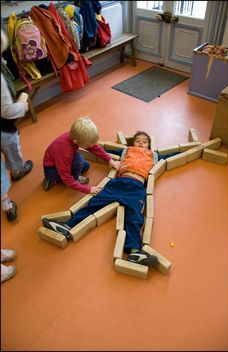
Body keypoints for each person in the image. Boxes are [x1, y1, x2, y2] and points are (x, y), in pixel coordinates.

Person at [42, 131, 160, 267]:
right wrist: (88, 144)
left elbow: (169, 156)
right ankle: (67, 225)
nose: (140, 143)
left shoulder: (153, 155)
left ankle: (135, 252)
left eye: (144, 141)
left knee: (135, 217)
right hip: (118, 183)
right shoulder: (127, 150)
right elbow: (106, 149)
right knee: (94, 203)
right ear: (132, 143)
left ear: (149, 145)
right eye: (137, 140)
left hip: (136, 188)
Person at [42, 116, 120, 194]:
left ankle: (69, 176)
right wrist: (88, 189)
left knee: (85, 166)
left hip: (63, 160)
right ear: (76, 142)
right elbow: (67, 179)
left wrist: (110, 160)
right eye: (88, 145)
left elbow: (94, 148)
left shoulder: (75, 137)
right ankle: (52, 178)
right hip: (52, 169)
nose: (91, 147)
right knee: (78, 163)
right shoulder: (65, 152)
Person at [1, 29, 33, 183]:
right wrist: (22, 105)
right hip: (3, 127)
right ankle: (17, 171)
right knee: (12, 148)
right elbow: (6, 110)